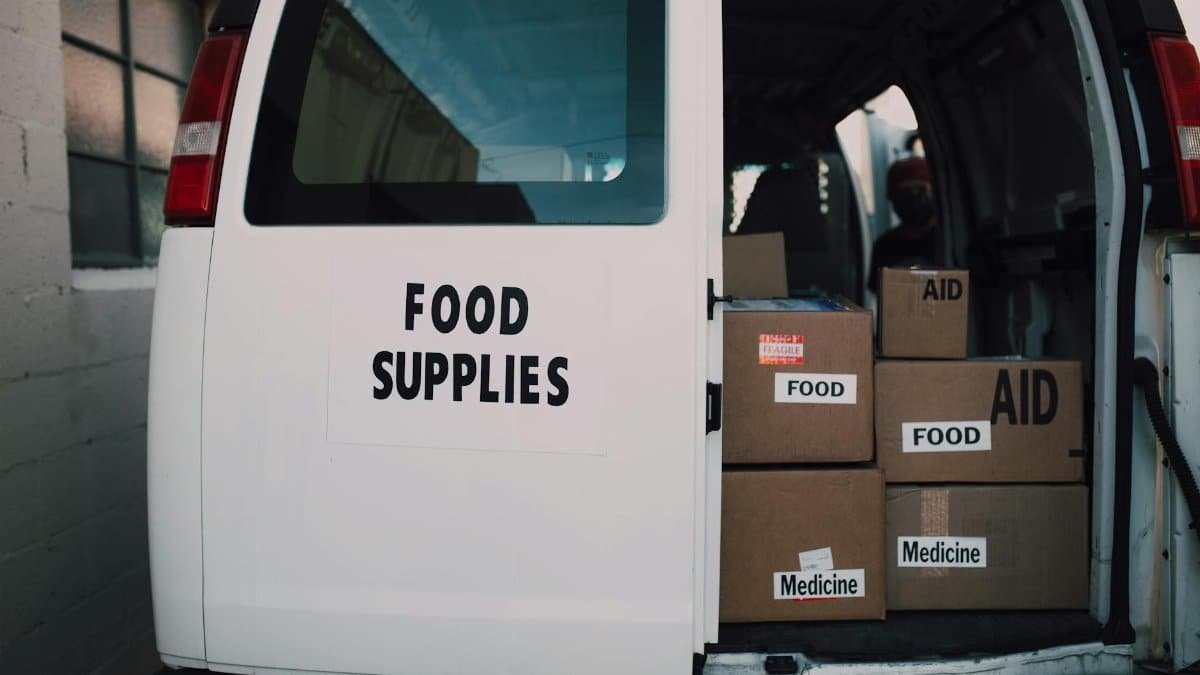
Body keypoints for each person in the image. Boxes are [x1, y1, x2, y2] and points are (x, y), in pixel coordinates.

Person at [868, 156, 936, 295]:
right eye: (905, 193)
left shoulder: (949, 241)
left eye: (921, 189)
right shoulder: (884, 246)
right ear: (893, 198)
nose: (914, 198)